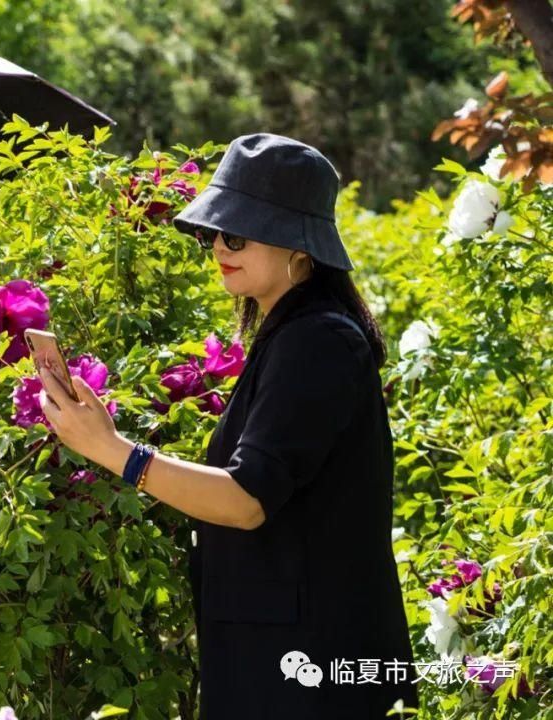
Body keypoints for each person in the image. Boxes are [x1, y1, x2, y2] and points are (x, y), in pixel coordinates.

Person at [35, 133, 418, 719]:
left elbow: (246, 500)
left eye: (235, 232)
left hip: (309, 674)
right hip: (282, 659)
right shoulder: (296, 333)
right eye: (213, 231)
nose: (218, 245)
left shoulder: (318, 339)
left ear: (299, 245)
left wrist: (114, 451)